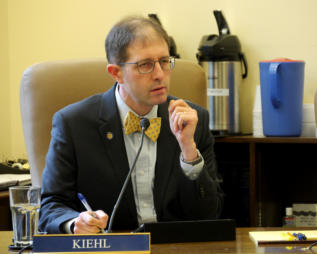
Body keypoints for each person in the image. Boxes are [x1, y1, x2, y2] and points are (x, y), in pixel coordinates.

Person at [39, 16, 224, 234]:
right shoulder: (73, 124)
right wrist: (74, 223)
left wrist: (188, 152)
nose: (159, 75)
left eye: (164, 61)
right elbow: (51, 207)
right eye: (145, 65)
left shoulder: (193, 120)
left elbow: (209, 214)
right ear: (116, 73)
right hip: (111, 246)